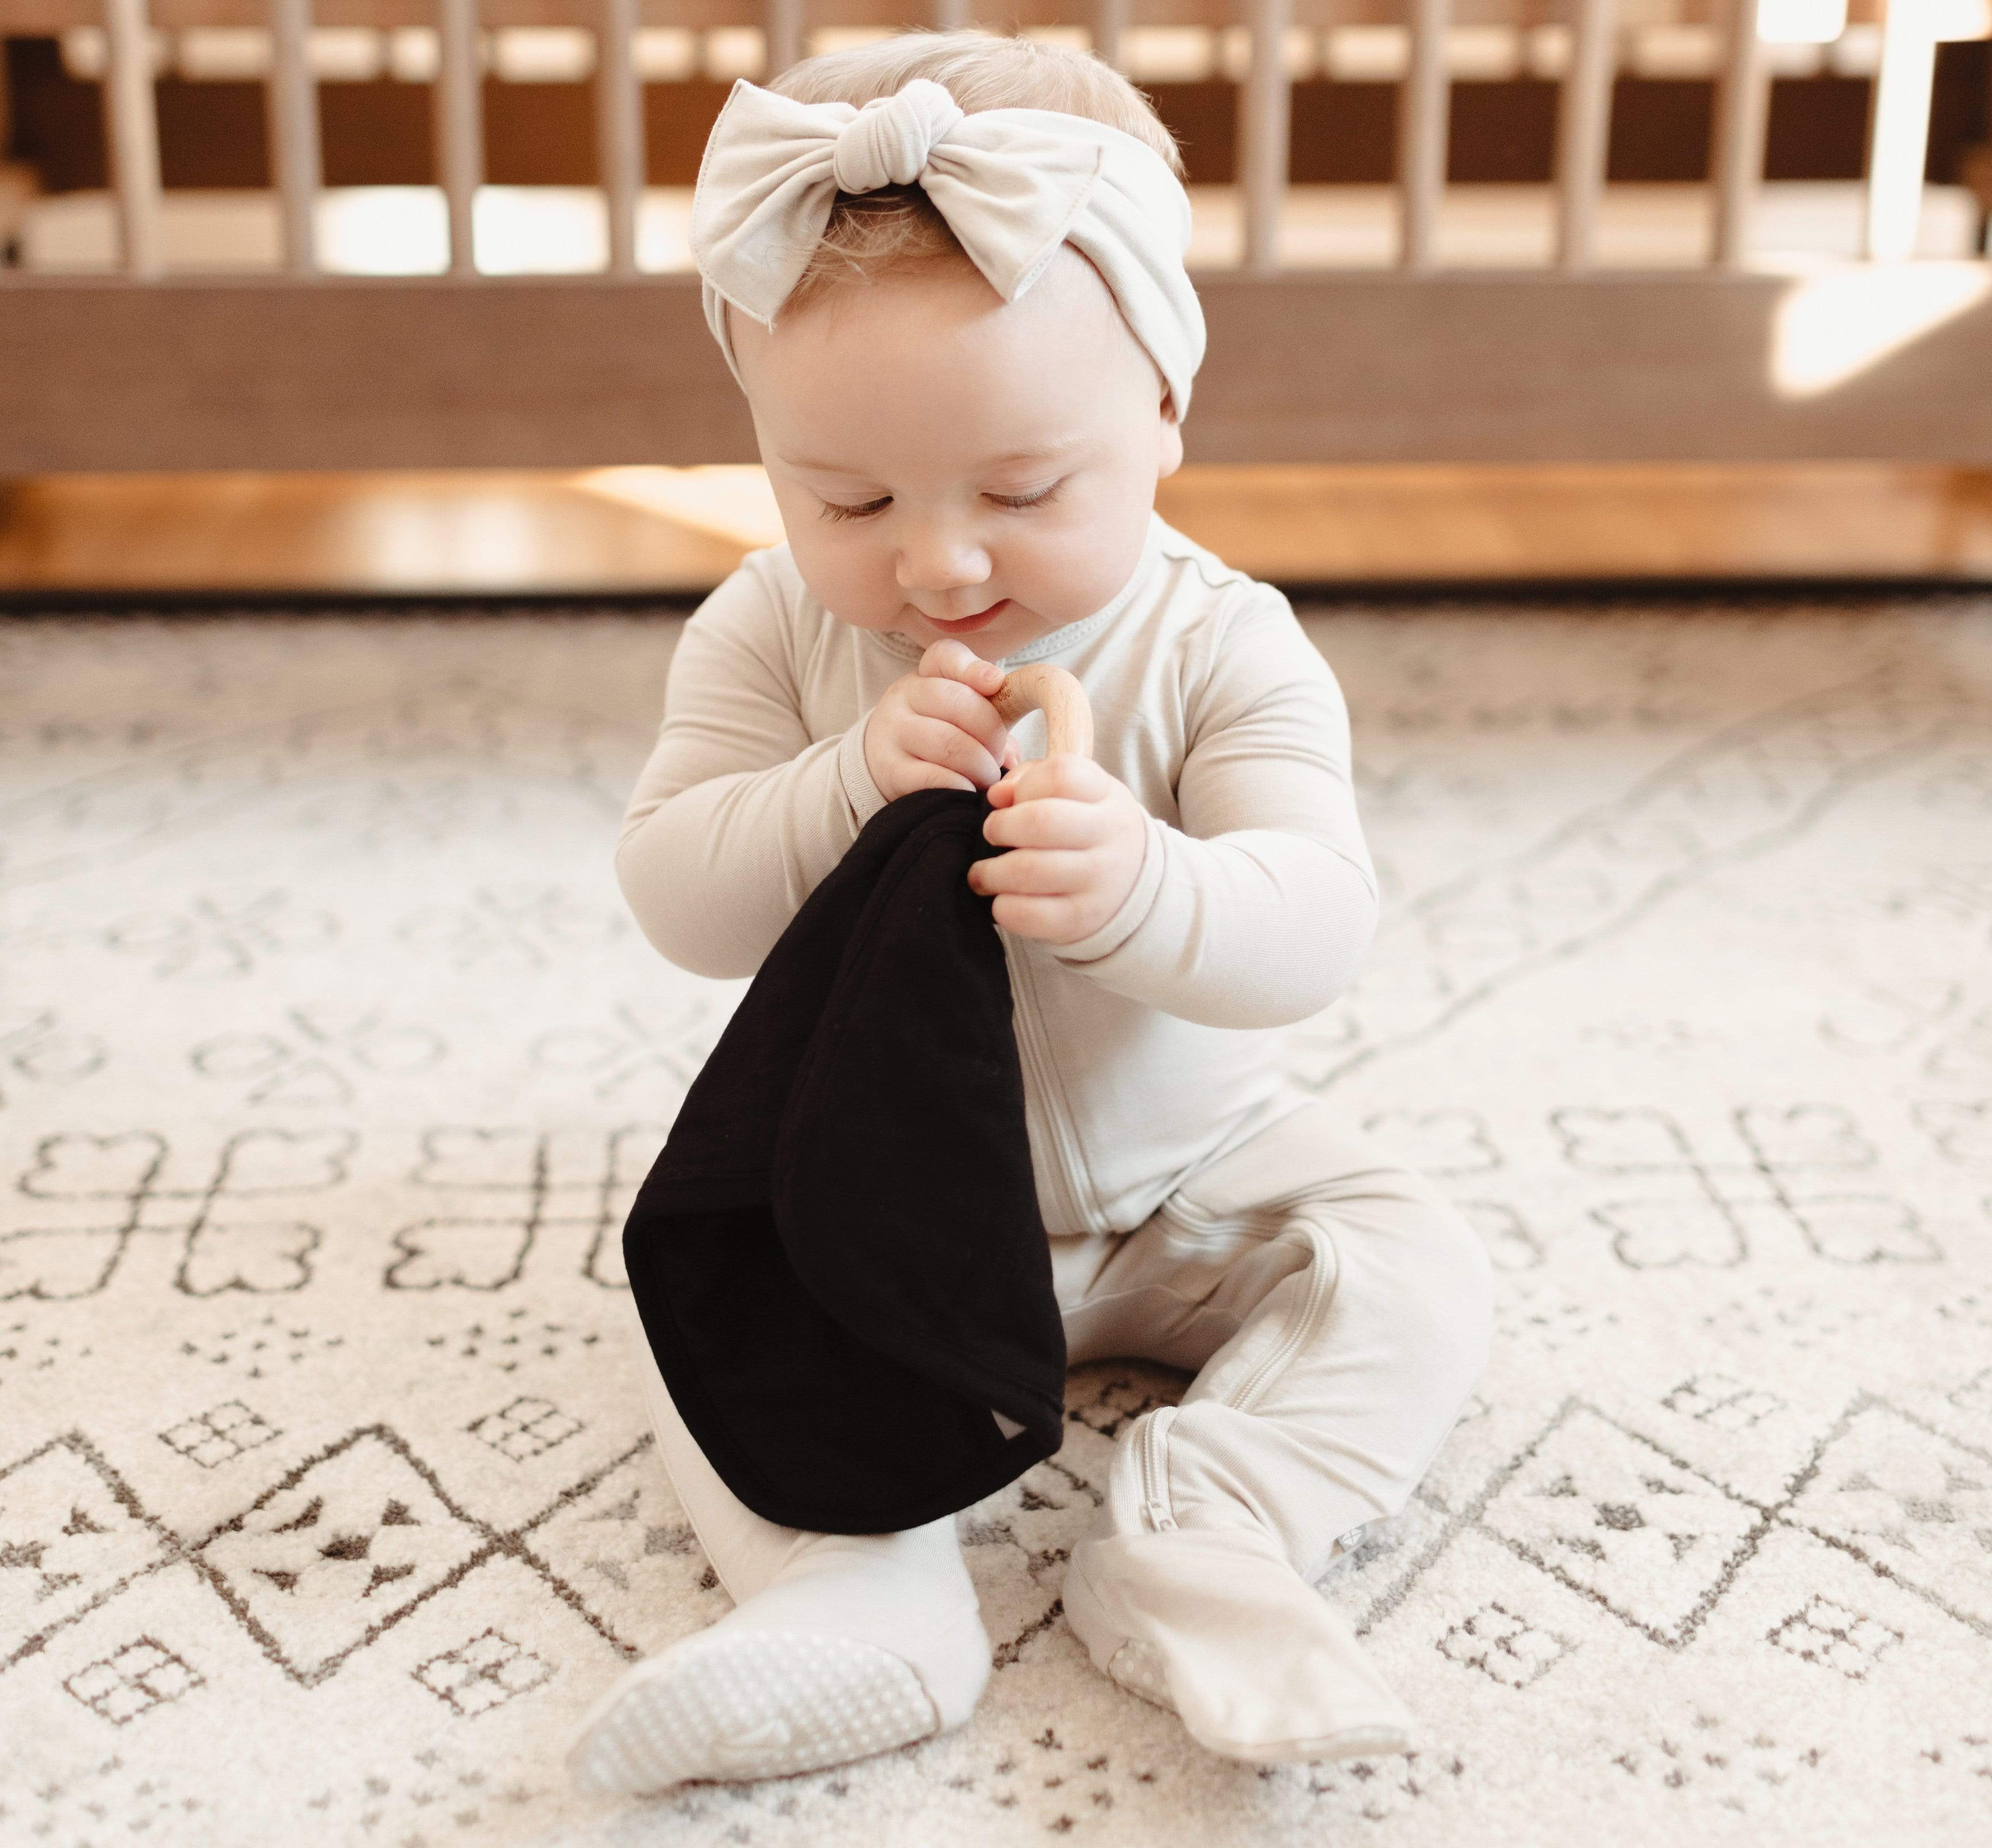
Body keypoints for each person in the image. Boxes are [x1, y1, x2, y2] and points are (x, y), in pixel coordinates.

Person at [568, 28, 1491, 1797]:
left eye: (1020, 490)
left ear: (1162, 412)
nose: (941, 564)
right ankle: (861, 1592)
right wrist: (843, 781)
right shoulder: (773, 634)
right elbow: (677, 890)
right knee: (700, 1292)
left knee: (1409, 1265)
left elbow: (1313, 921)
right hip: (885, 1195)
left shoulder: (1224, 644)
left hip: (1192, 1177)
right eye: (846, 496)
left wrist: (1144, 883)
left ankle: (1208, 1532)